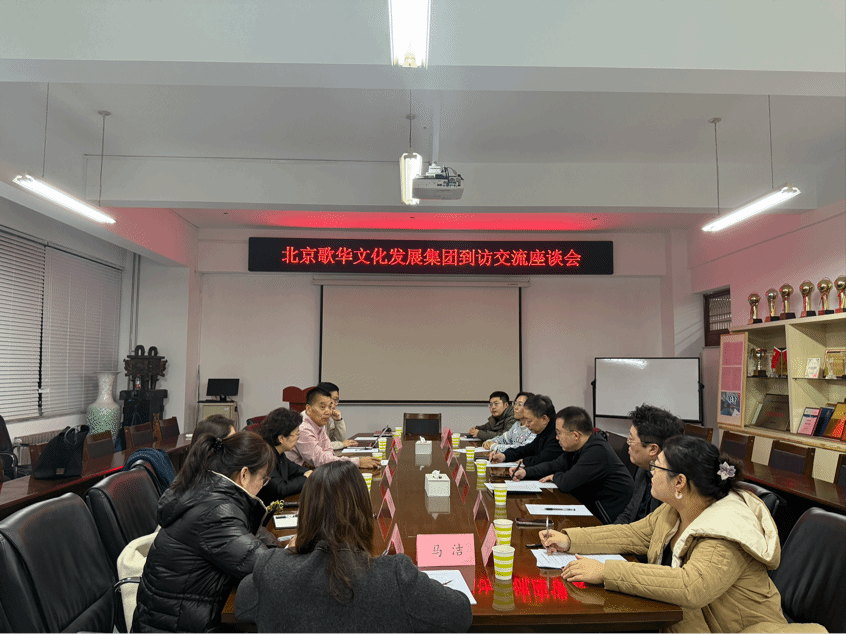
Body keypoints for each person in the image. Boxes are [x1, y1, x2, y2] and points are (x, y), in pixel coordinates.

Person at [538, 436, 793, 634]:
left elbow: (690, 585)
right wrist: (570, 540)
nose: (651, 472)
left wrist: (606, 572)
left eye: (657, 466)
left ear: (679, 482)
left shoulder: (726, 529)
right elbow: (633, 534)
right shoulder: (677, 508)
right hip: (688, 622)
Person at [235, 461, 473, 633]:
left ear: (305, 513)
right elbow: (460, 615)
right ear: (363, 511)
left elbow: (241, 608)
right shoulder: (395, 575)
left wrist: (288, 552)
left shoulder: (272, 569)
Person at [133, 431, 276, 634]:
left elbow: (249, 537)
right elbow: (265, 568)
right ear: (244, 475)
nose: (263, 486)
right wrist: (289, 553)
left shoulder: (205, 491)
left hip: (169, 621)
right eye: (263, 479)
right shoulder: (216, 512)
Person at [512, 406, 634, 522]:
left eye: (559, 433)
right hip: (589, 508)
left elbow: (567, 482)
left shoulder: (597, 451)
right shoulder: (576, 447)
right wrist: (526, 472)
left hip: (607, 517)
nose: (556, 438)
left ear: (575, 435)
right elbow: (553, 465)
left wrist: (555, 476)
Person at [614, 404, 684, 524]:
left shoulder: (671, 485)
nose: (628, 444)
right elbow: (629, 513)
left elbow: (653, 529)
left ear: (652, 449)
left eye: (631, 439)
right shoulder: (645, 468)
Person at [288, 386, 379, 470]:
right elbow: (320, 460)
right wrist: (357, 462)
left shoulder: (319, 423)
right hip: (296, 475)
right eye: (322, 407)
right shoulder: (303, 428)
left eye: (330, 407)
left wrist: (327, 459)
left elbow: (328, 450)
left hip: (313, 470)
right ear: (308, 409)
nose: (328, 412)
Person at [489, 394, 562, 467]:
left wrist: (525, 461)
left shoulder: (557, 434)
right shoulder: (544, 430)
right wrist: (504, 456)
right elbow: (528, 449)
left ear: (544, 419)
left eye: (529, 421)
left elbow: (544, 459)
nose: (526, 424)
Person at [257, 407, 312, 504]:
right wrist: (306, 478)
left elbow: (297, 470)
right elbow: (281, 489)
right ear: (281, 438)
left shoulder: (279, 453)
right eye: (296, 434)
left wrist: (308, 473)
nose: (297, 438)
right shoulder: (264, 457)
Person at [317, 381, 358, 450]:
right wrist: (341, 444)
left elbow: (337, 440)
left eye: (336, 400)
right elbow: (318, 446)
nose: (335, 404)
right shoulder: (310, 417)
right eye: (333, 400)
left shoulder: (328, 417)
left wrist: (338, 421)